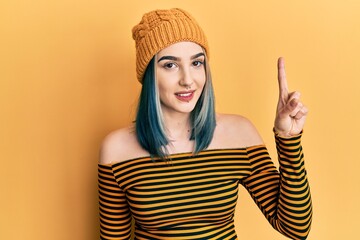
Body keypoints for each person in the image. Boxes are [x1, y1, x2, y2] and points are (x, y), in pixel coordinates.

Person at [98, 8, 312, 240]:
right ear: (150, 74)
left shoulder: (238, 134)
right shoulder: (117, 149)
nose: (188, 80)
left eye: (197, 63)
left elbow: (295, 227)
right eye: (170, 65)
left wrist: (288, 139)